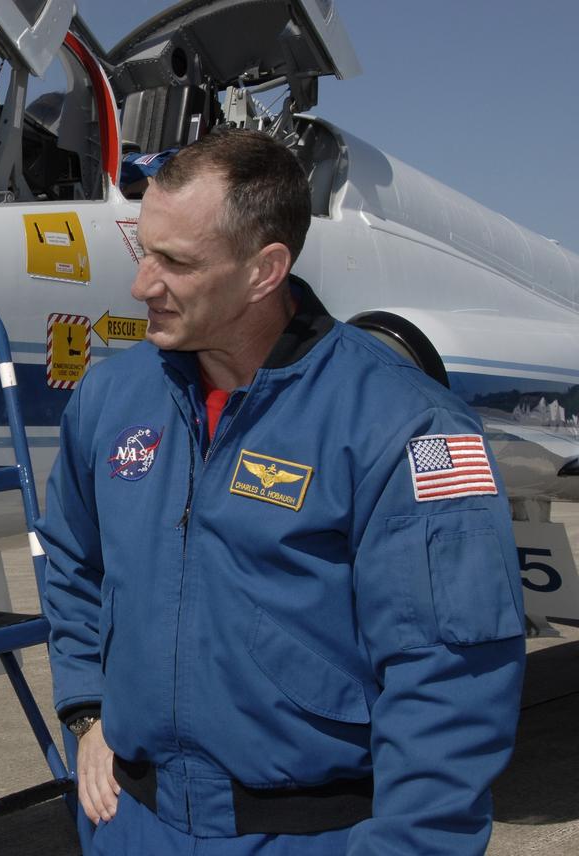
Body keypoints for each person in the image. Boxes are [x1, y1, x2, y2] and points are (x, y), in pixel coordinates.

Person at [37, 129, 525, 854]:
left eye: (175, 262)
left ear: (265, 270)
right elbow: (72, 560)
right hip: (131, 828)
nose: (142, 285)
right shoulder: (113, 397)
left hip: (310, 836)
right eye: (145, 252)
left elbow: (450, 679)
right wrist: (88, 713)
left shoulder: (403, 423)